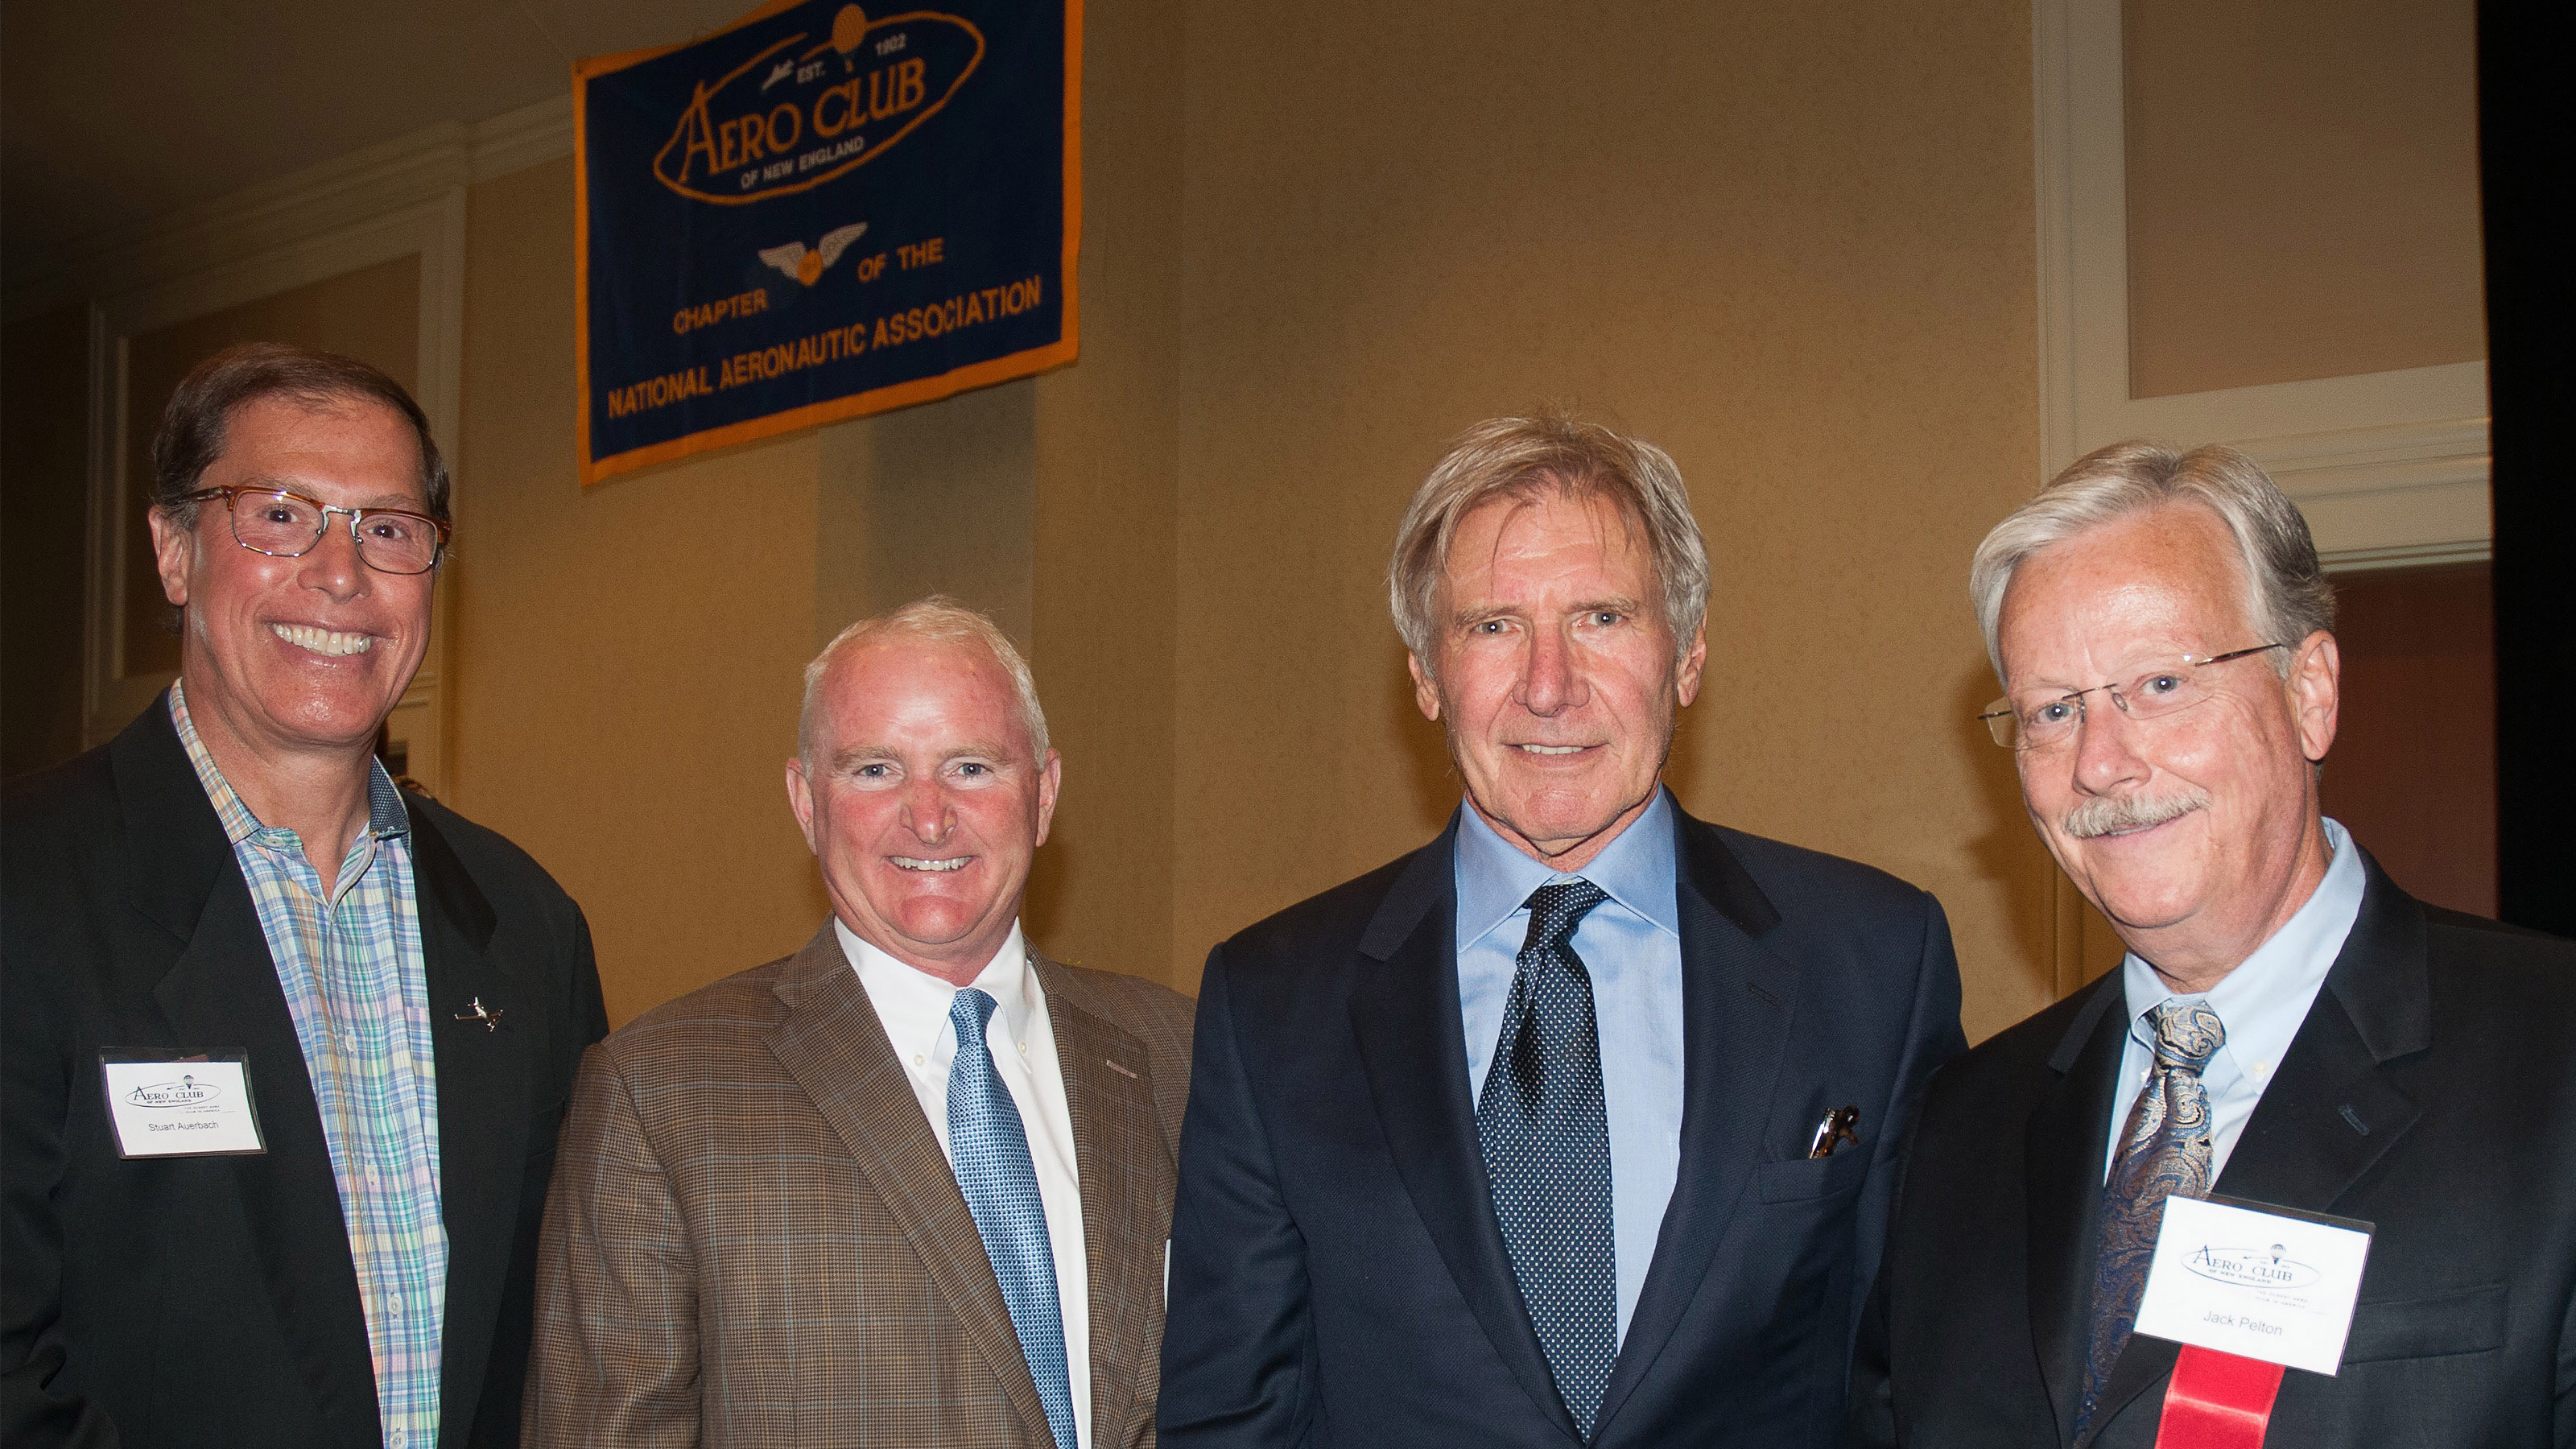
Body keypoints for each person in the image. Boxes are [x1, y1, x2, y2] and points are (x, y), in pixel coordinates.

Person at [1158, 415, 1967, 1448]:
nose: (1548, 685)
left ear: (1687, 657)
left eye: (1600, 617)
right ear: (1422, 677)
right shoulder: (1269, 998)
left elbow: (1913, 1384)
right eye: (1492, 626)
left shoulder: (1874, 961)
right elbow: (1231, 1414)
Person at [1849, 441, 2576, 1447]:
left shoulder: (2551, 1057)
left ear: (2309, 690)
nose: (2100, 763)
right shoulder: (1963, 1124)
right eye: (2052, 711)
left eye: (2158, 684)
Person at [1, 343, 608, 1448]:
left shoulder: (528, 928)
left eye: (387, 528)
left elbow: (561, 1338)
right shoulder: (25, 886)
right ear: (173, 551)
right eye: (280, 515)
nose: (342, 575)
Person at [523, 598, 1193, 1448]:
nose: (928, 816)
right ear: (806, 802)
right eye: (875, 769)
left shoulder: (1186, 1053)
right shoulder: (659, 1093)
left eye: (971, 767)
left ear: (1044, 794)